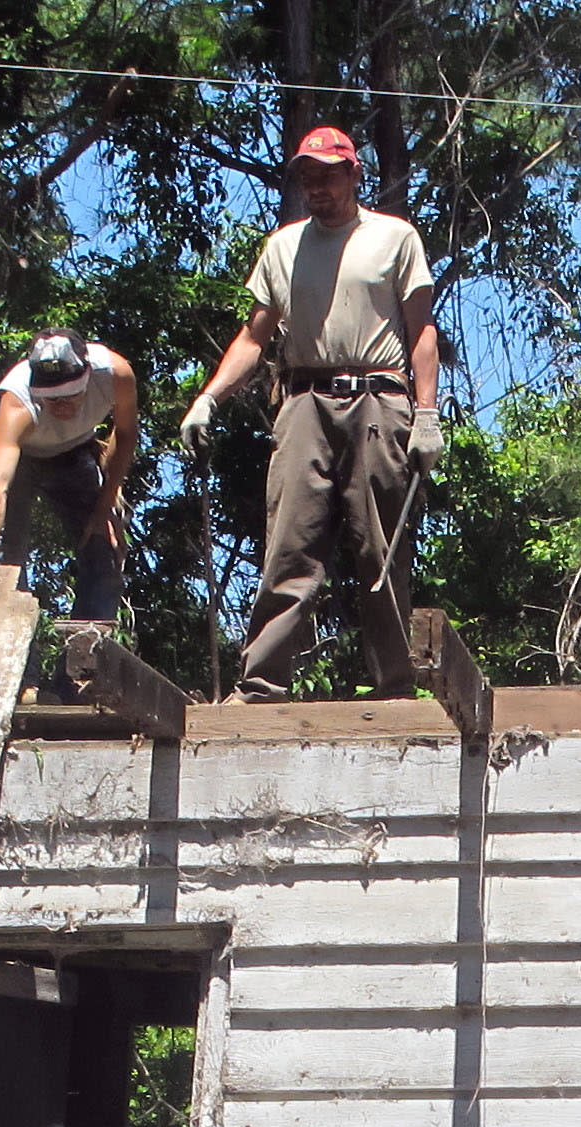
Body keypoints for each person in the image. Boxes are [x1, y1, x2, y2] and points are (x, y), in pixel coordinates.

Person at [178, 126, 441, 701]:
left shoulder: (393, 238)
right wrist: (207, 398)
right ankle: (261, 683)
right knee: (290, 542)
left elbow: (421, 327)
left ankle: (394, 685)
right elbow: (254, 337)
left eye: (329, 174)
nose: (318, 187)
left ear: (353, 174)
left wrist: (427, 414)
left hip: (378, 396)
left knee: (379, 543)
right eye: (308, 177)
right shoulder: (284, 247)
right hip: (303, 401)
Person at [0, 328, 141, 625]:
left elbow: (125, 436)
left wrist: (104, 507)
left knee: (103, 546)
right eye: (51, 399)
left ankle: (84, 656)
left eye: (69, 396)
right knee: (2, 565)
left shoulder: (116, 374)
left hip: (72, 450)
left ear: (86, 376)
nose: (61, 406)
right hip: (17, 454)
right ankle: (15, 661)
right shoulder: (17, 402)